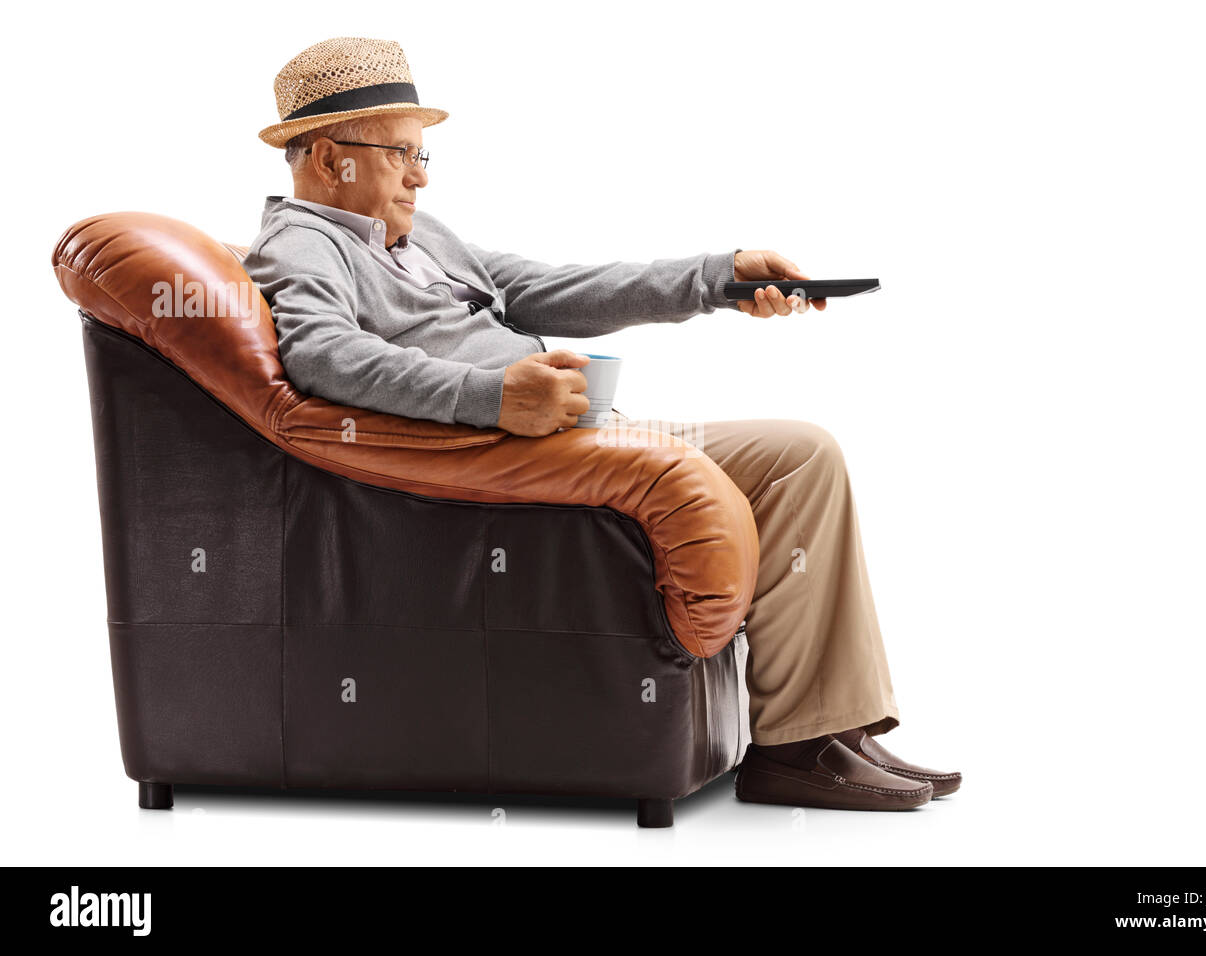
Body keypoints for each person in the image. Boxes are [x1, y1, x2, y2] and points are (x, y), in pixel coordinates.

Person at [245, 37, 961, 812]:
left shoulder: (420, 236)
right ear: (324, 156)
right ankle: (809, 745)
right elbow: (323, 356)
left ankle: (813, 738)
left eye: (425, 155)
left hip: (586, 437)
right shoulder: (303, 244)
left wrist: (719, 278)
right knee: (798, 454)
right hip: (518, 461)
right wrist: (491, 396)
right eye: (399, 154)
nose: (420, 174)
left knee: (801, 457)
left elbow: (554, 287)